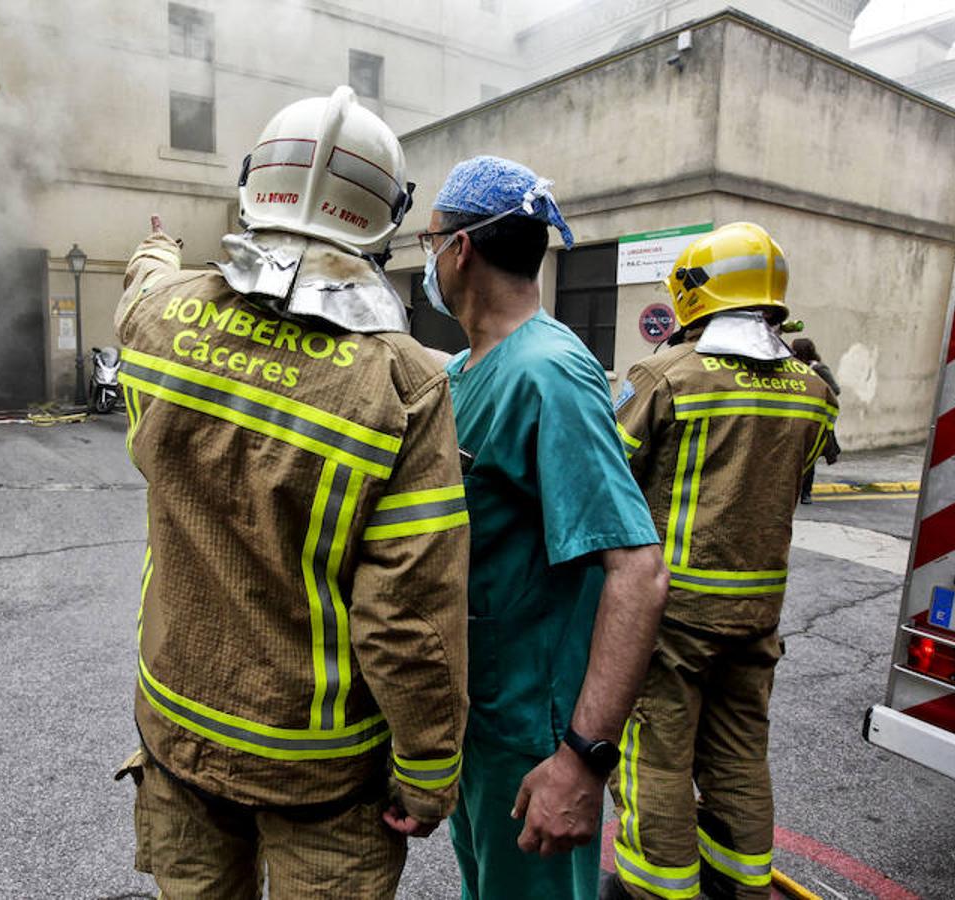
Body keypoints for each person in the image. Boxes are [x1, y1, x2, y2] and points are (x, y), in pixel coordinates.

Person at [112, 86, 470, 898]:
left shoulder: (164, 318)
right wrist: (426, 773)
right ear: (384, 215)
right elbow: (407, 615)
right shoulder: (404, 385)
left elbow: (140, 289)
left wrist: (157, 252)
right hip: (321, 776)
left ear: (252, 184)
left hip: (176, 731)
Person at [419, 155, 670, 900]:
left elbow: (639, 573)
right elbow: (438, 369)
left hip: (536, 737)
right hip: (488, 720)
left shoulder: (548, 374)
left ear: (459, 249)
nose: (426, 261)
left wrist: (581, 761)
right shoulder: (479, 364)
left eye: (428, 241)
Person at [604, 223, 838, 900]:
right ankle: (744, 886)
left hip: (671, 613)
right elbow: (802, 467)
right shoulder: (813, 389)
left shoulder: (666, 375)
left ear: (691, 295)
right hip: (758, 612)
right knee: (739, 754)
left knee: (658, 754)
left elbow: (610, 467)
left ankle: (658, 890)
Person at [790, 337, 842, 504]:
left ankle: (806, 493)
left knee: (807, 455)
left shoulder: (818, 369)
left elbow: (835, 390)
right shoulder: (792, 367)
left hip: (812, 417)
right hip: (794, 415)